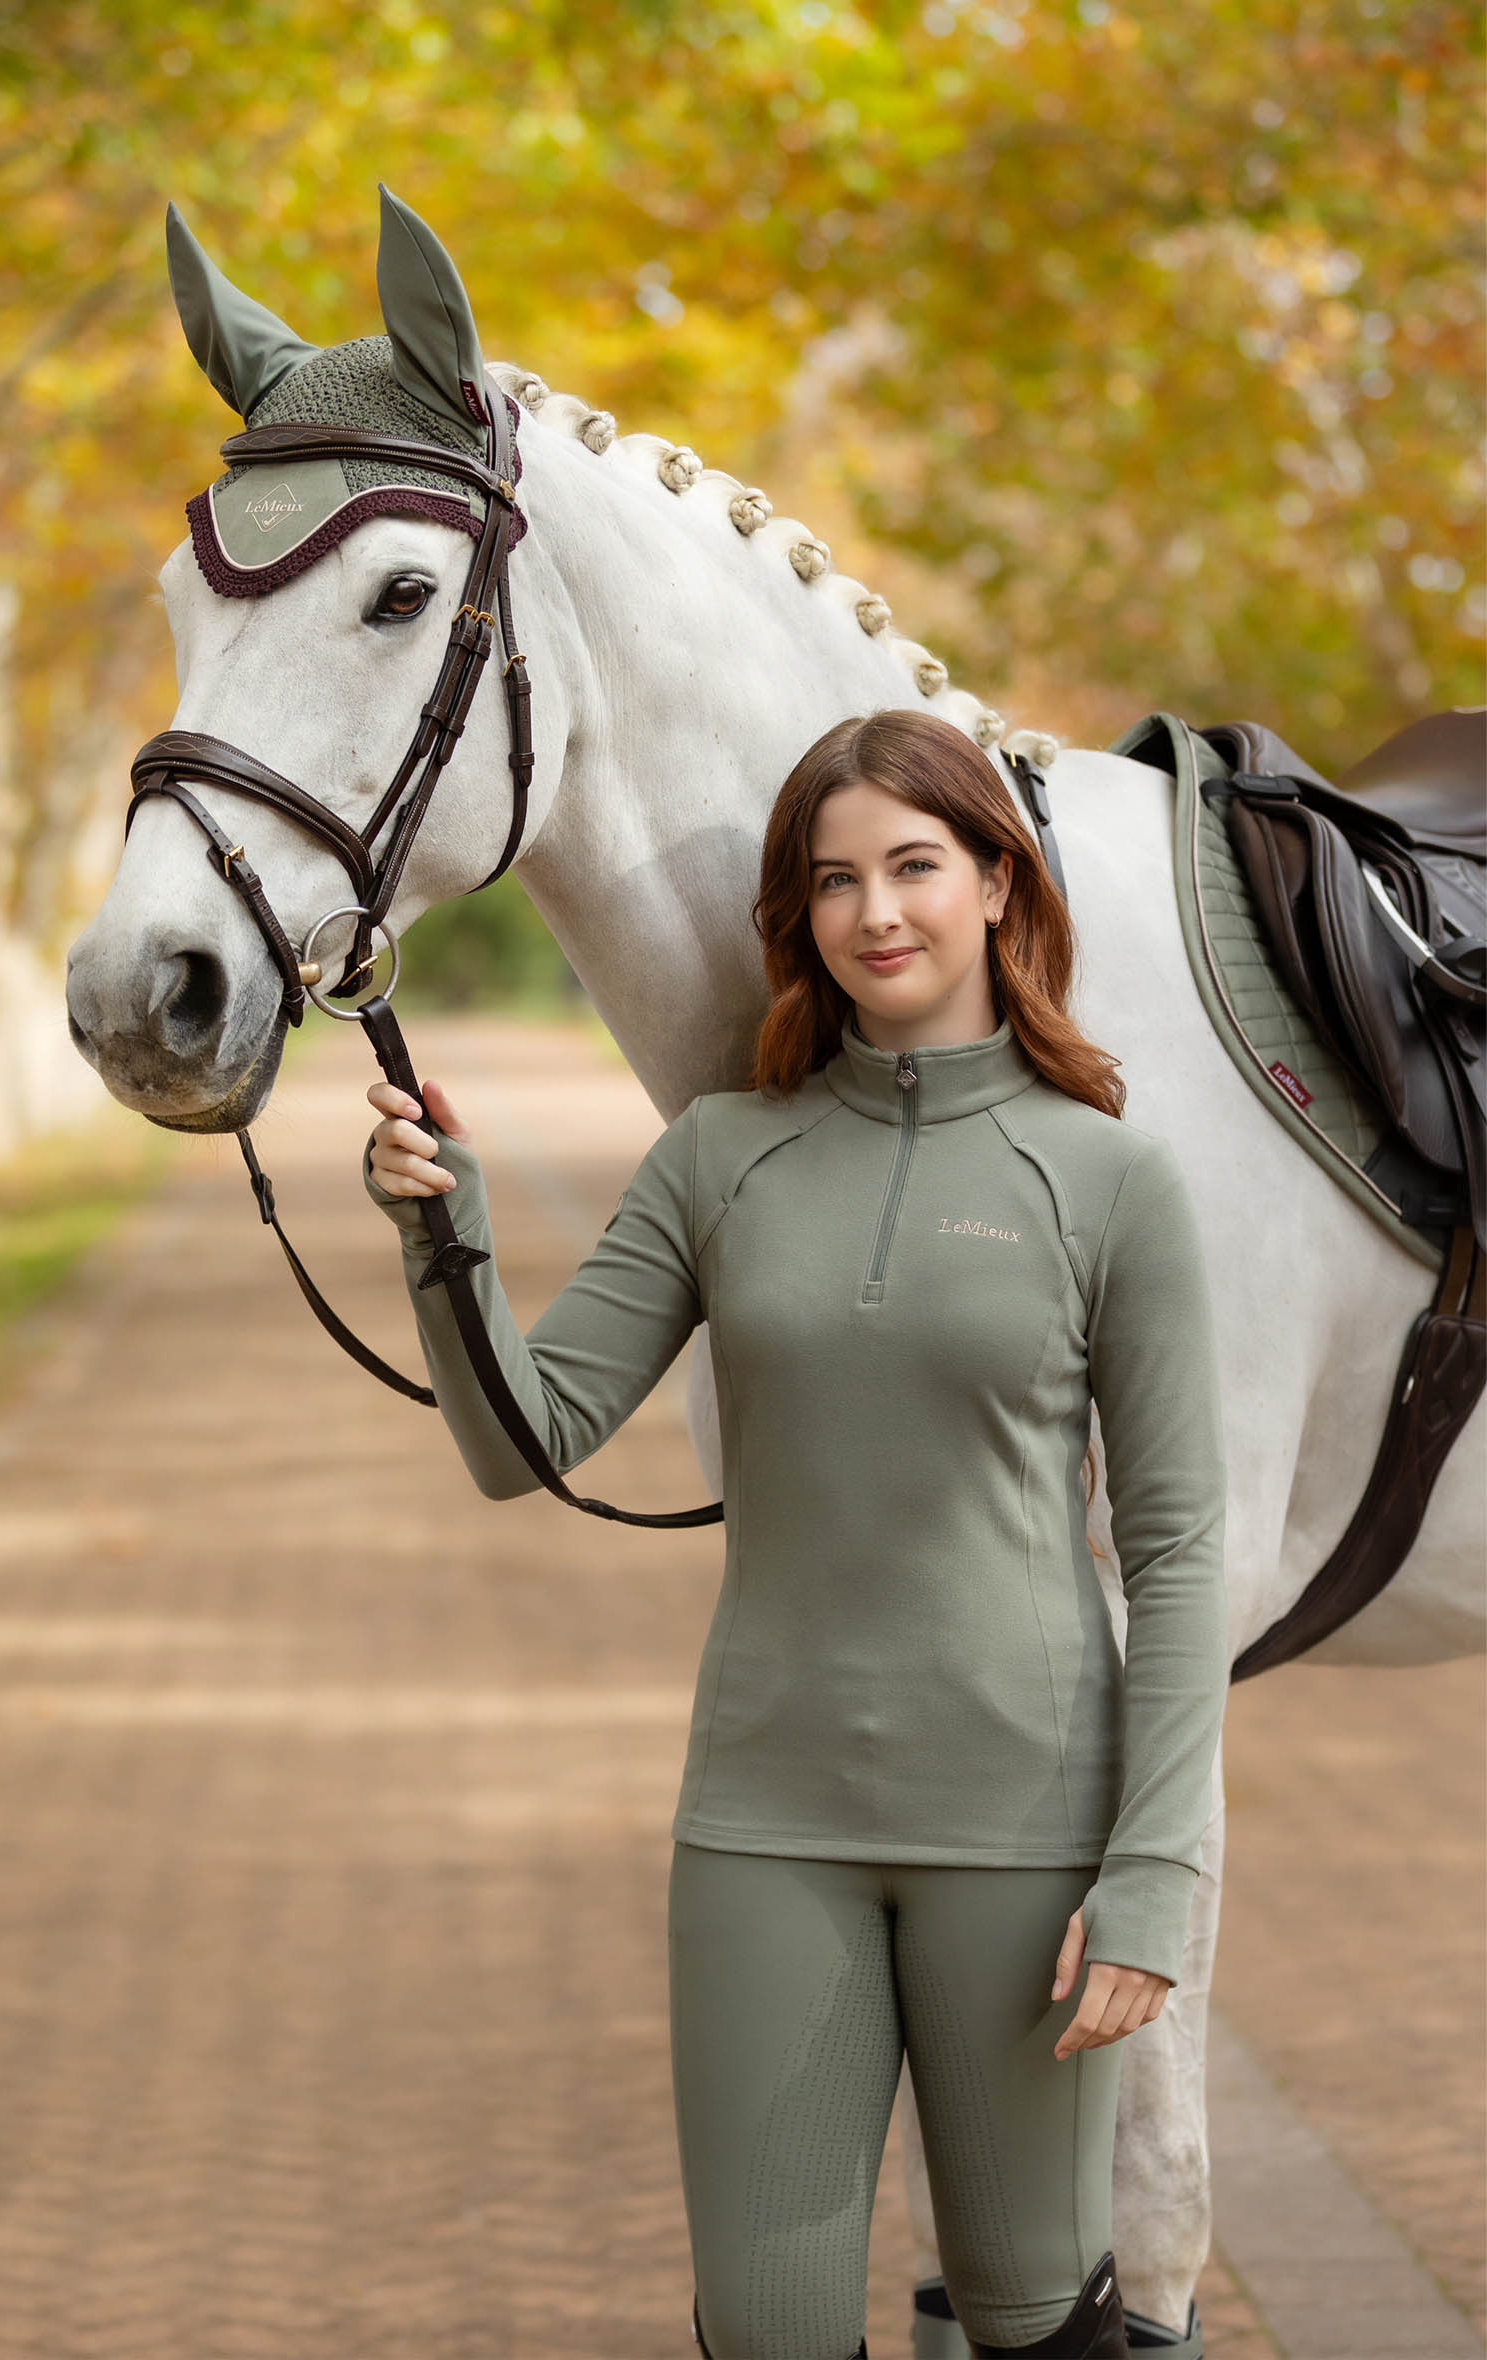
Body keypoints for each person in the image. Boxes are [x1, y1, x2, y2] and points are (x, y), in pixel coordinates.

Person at [361, 710, 1230, 2360]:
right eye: (834, 880)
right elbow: (521, 1442)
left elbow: (1181, 1556)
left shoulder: (1111, 1182)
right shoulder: (720, 1158)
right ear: (800, 915)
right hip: (766, 1828)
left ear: (996, 883)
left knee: (1037, 2318)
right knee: (763, 2328)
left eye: (915, 866)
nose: (875, 913)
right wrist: (446, 1234)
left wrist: (1153, 1877)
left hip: (1025, 1834)